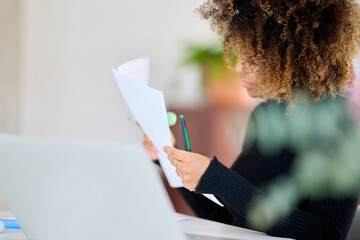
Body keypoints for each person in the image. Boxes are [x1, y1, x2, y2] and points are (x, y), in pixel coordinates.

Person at [143, 1, 360, 239]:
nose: (237, 67)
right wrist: (170, 155)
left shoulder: (340, 127)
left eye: (253, 58)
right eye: (239, 53)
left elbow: (328, 233)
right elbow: (230, 220)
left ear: (294, 58)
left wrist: (221, 180)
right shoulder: (265, 115)